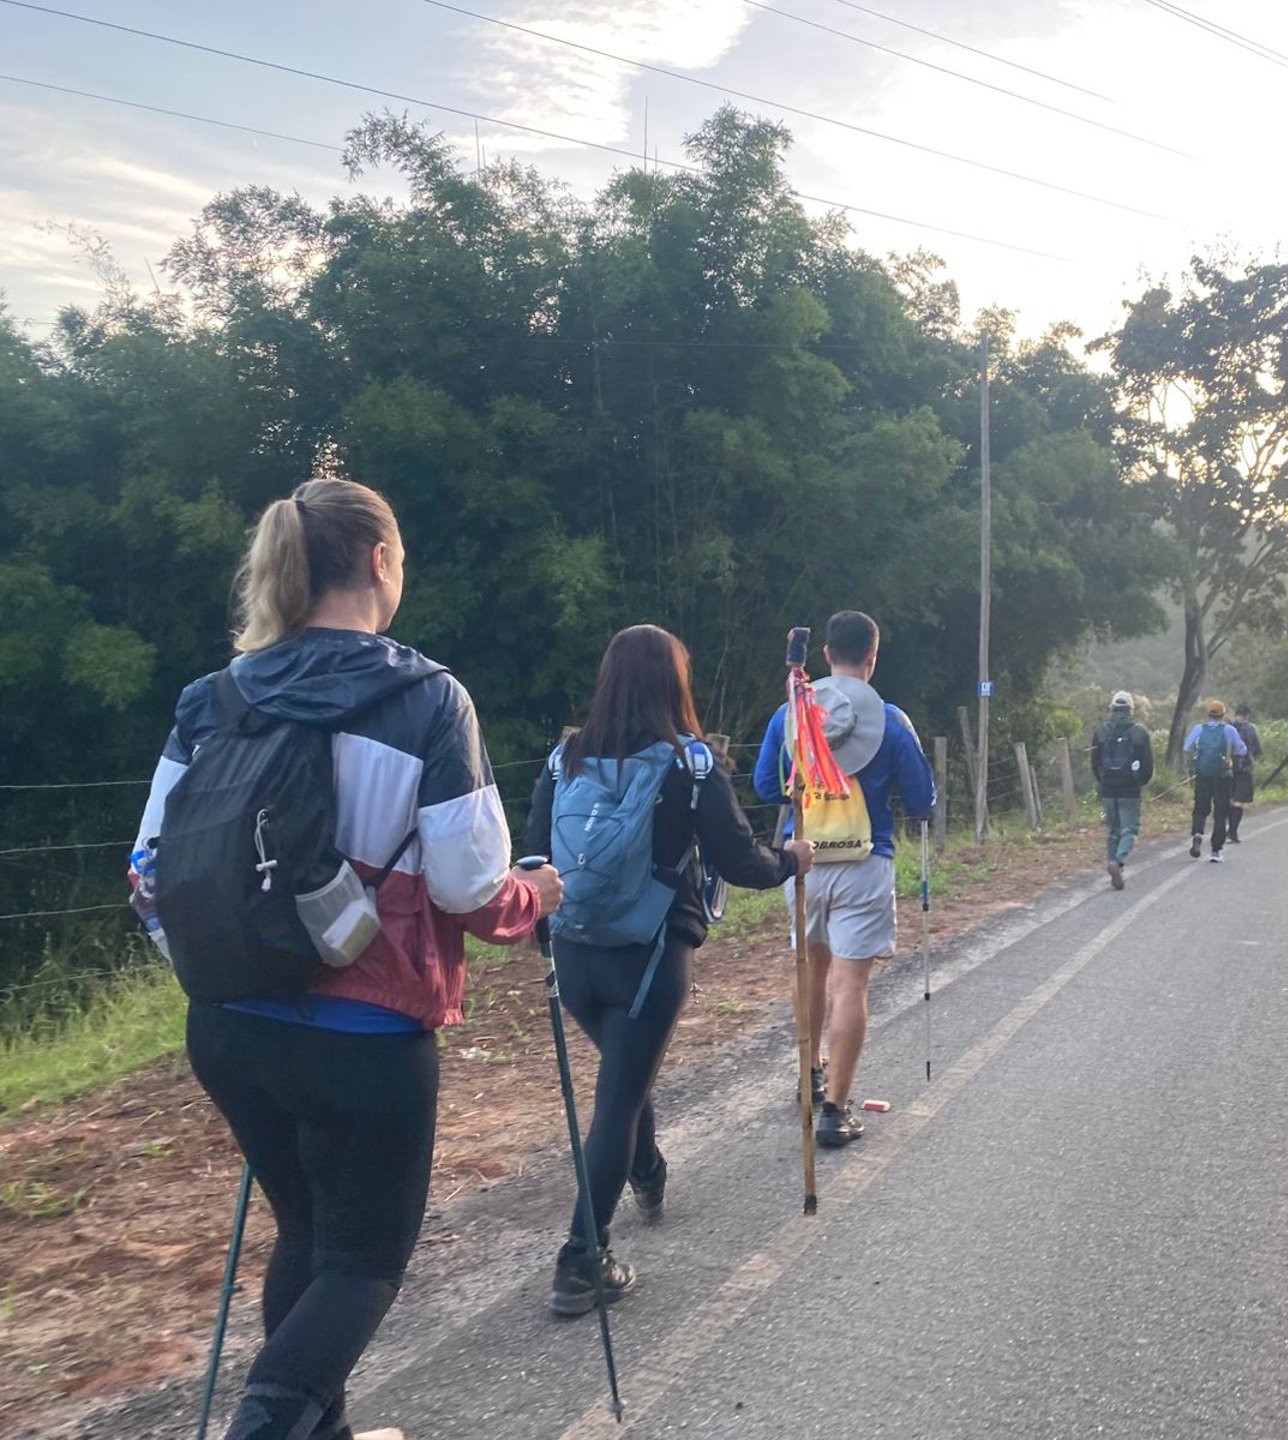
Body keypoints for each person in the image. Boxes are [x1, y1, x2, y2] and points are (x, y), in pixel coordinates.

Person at [132, 478, 561, 1440]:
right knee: (363, 1264)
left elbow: (151, 873)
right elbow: (468, 887)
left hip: (229, 1027)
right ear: (379, 561)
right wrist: (539, 895)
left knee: (312, 1238)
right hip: (363, 1038)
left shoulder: (214, 699)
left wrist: (223, 961)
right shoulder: (428, 701)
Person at [526, 625, 814, 1316]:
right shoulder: (689, 765)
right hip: (649, 958)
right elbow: (741, 861)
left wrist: (544, 939)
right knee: (620, 1097)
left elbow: (532, 860)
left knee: (627, 1074)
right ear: (673, 683)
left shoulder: (562, 760)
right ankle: (580, 1260)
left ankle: (647, 1172)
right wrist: (793, 860)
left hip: (574, 955)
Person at [754, 610, 935, 1148]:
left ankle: (809, 1072)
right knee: (851, 984)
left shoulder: (791, 714)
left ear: (827, 654)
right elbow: (923, 800)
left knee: (809, 968)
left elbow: (768, 785)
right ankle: (834, 1109)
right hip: (865, 862)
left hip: (803, 860)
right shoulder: (891, 720)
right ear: (873, 658)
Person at [1089, 690, 1154, 889]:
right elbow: (1147, 764)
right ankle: (1118, 863)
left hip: (1108, 788)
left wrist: (1103, 781)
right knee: (1130, 829)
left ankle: (1112, 864)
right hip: (1130, 789)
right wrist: (1140, 782)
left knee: (1113, 831)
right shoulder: (1139, 732)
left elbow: (1095, 762)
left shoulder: (1101, 731)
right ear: (1131, 710)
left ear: (1112, 709)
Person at [1183, 700, 1247, 862]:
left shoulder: (1199, 729)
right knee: (1220, 813)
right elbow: (1242, 750)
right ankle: (1216, 851)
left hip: (1203, 775)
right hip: (1223, 776)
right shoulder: (1229, 730)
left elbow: (1186, 747)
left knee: (1200, 808)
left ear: (1208, 714)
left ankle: (1197, 834)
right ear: (1223, 715)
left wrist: (1198, 754)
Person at [1226, 703, 1263, 843]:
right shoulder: (1251, 728)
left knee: (1229, 799)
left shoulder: (1227, 727)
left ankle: (1226, 830)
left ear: (1235, 714)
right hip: (1245, 769)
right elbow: (1257, 750)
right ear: (1247, 715)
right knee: (1239, 801)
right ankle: (1232, 832)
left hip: (1227, 769)